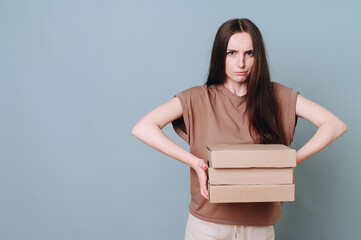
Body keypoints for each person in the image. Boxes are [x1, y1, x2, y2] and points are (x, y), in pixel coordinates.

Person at [131, 18, 347, 240]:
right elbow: (144, 127)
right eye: (231, 53)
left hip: (259, 227)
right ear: (220, 55)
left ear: (258, 56)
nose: (241, 63)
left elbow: (334, 125)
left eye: (249, 53)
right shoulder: (198, 98)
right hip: (207, 227)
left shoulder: (277, 97)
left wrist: (290, 162)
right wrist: (194, 162)